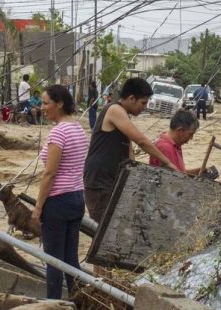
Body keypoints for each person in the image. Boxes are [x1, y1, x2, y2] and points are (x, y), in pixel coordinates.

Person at [84, 78, 178, 224]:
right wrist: (168, 162)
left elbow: (129, 151)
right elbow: (141, 141)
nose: (144, 107)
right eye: (143, 103)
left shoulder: (123, 115)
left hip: (112, 181)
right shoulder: (114, 110)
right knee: (105, 231)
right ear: (131, 98)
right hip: (100, 183)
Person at [31, 84, 88, 300]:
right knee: (70, 260)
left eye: (46, 103)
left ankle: (52, 304)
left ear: (60, 104)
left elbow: (50, 174)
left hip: (58, 201)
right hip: (76, 198)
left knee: (54, 261)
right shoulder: (78, 129)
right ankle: (79, 301)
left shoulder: (59, 132)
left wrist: (38, 207)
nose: (42, 108)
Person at [149, 111, 203, 175]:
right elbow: (176, 179)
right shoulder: (166, 147)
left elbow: (180, 173)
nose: (191, 138)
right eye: (190, 134)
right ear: (180, 131)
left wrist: (198, 171)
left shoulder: (175, 144)